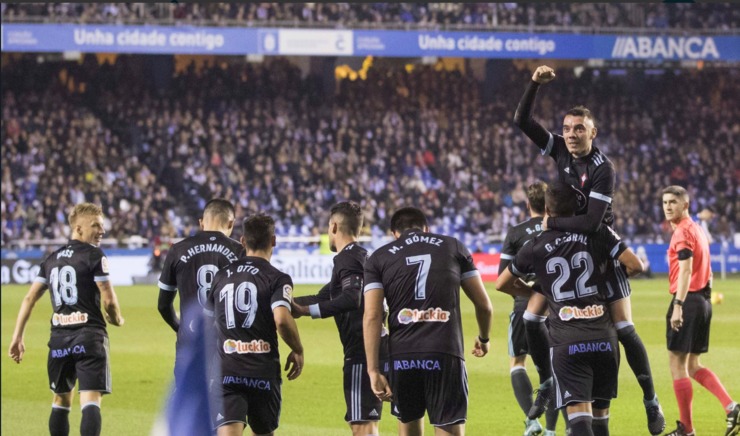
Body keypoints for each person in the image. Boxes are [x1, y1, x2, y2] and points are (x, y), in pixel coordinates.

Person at [513, 64, 665, 435]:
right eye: (566, 129)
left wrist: (551, 226)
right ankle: (547, 381)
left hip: (599, 244)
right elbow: (522, 120)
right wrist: (534, 83)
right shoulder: (561, 153)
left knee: (624, 326)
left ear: (593, 132)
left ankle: (650, 399)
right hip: (569, 243)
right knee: (531, 320)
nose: (570, 135)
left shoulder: (602, 168)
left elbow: (593, 223)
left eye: (578, 129)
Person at [496, 182, 645, 436]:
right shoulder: (596, 234)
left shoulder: (534, 242)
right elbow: (635, 266)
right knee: (600, 421)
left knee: (578, 419)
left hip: (565, 336)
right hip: (603, 336)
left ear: (547, 211)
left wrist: (540, 292)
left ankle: (544, 387)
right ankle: (651, 401)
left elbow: (502, 282)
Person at [363, 206, 492, 436]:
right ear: (426, 229)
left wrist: (373, 370)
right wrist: (483, 338)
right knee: (449, 427)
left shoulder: (379, 257)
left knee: (409, 425)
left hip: (402, 356)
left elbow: (372, 315)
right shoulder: (453, 246)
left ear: (394, 233)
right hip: (444, 351)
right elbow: (484, 306)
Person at [8, 202, 125, 436]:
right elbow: (109, 300)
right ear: (78, 228)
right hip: (89, 337)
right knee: (90, 400)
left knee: (61, 399)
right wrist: (117, 318)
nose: (102, 230)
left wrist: (17, 337)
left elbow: (29, 298)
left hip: (59, 341)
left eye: (102, 226)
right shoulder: (94, 255)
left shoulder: (51, 259)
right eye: (96, 225)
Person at [292, 201, 388, 435]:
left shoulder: (347, 259)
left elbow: (350, 299)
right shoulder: (363, 257)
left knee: (362, 426)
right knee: (372, 422)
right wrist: (284, 303)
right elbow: (322, 296)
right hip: (378, 345)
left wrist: (305, 312)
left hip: (361, 351)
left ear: (334, 227)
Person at [206, 213, 304, 436]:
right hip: (262, 372)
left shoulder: (221, 276)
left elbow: (208, 324)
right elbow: (281, 318)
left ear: (242, 241)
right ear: (273, 241)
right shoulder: (277, 278)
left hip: (227, 370)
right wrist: (297, 349)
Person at [661, 186, 739, 436]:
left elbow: (685, 270)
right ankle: (732, 408)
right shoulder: (696, 230)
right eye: (665, 202)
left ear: (686, 205)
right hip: (702, 300)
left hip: (689, 301)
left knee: (677, 364)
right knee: (693, 364)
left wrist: (678, 305)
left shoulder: (683, 232)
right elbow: (710, 270)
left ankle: (687, 429)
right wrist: (703, 297)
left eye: (673, 202)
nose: (668, 206)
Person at [499, 181, 565, 436]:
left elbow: (501, 277)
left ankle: (532, 421)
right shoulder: (558, 230)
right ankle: (550, 429)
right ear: (549, 204)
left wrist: (532, 293)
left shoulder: (516, 233)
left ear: (528, 204)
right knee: (553, 368)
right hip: (556, 308)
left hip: (523, 307)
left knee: (517, 362)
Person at [157, 198, 244, 376]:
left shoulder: (178, 250)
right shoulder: (240, 251)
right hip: (229, 344)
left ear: (201, 223)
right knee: (227, 400)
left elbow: (163, 305)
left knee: (190, 400)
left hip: (190, 341)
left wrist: (179, 327)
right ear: (231, 223)